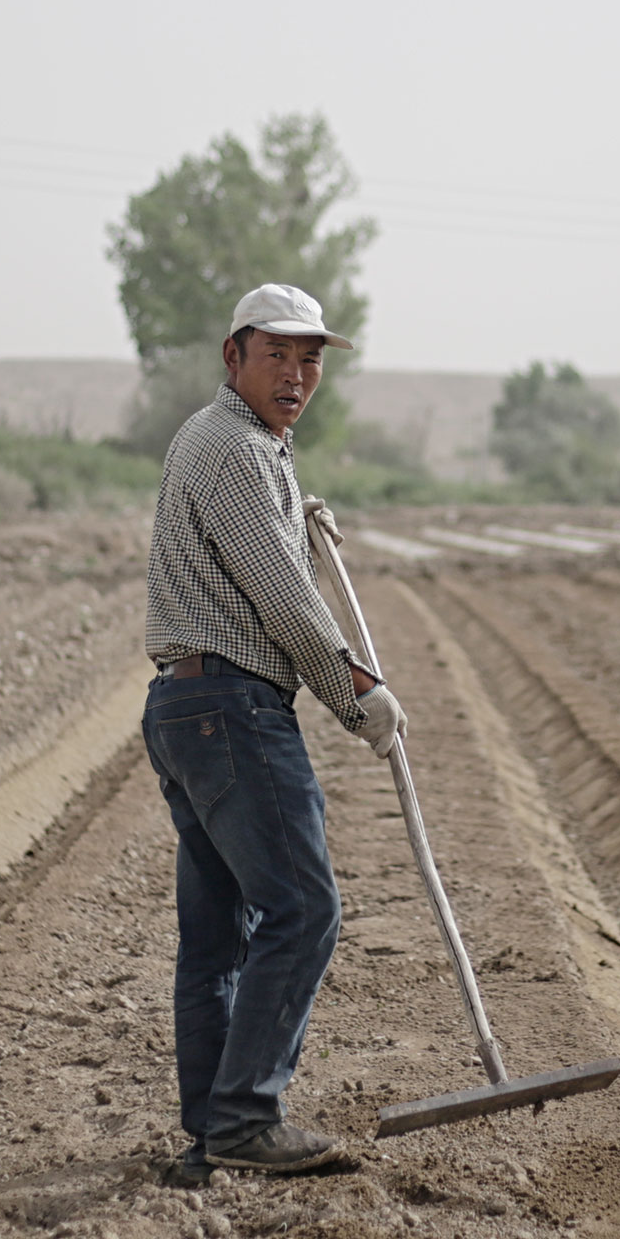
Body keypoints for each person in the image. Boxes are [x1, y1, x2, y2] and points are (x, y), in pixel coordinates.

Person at [143, 283, 407, 1184]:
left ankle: (214, 1125)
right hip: (232, 710)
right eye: (276, 355)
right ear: (234, 356)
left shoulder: (239, 444)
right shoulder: (233, 449)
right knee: (304, 908)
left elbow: (260, 553)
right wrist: (354, 688)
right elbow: (285, 600)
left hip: (189, 706)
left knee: (220, 932)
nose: (296, 375)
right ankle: (247, 1115)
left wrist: (296, 512)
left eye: (311, 359)